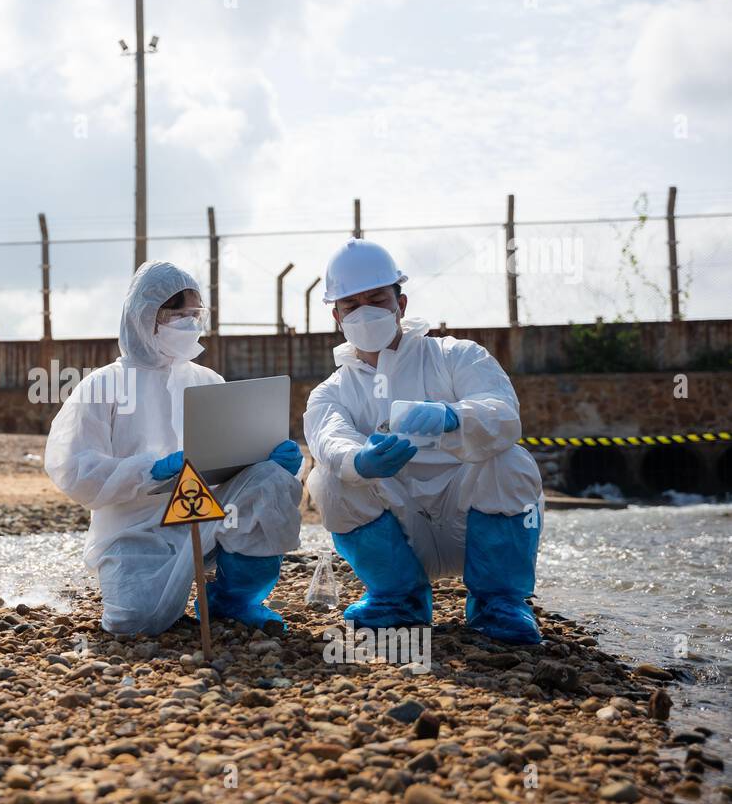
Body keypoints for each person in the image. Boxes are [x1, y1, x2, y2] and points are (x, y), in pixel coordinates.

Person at [302, 239, 545, 644]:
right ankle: (398, 599)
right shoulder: (331, 391)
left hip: (469, 525)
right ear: (336, 316)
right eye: (351, 305)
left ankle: (498, 602)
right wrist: (358, 460)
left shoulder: (457, 356)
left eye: (377, 298)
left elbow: (503, 414)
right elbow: (329, 437)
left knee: (511, 461)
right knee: (328, 480)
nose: (366, 311)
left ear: (401, 303)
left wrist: (453, 417)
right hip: (398, 529)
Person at [45, 260, 304, 636]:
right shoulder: (103, 386)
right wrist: (149, 470)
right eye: (175, 314)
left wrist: (266, 457)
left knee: (268, 480)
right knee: (133, 622)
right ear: (143, 315)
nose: (187, 323)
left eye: (193, 313)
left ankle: (232, 601)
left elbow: (231, 453)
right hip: (136, 528)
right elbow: (73, 469)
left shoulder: (207, 380)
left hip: (206, 513)